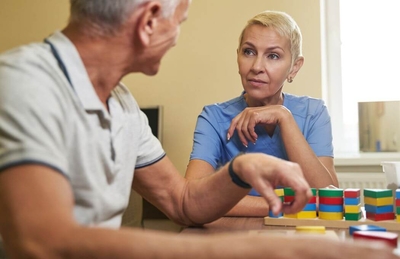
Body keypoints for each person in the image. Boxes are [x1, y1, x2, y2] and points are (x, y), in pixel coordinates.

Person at [0, 1, 396, 258]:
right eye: (180, 22)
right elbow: (40, 242)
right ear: (149, 21)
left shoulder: (122, 104)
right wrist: (267, 250)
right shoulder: (23, 81)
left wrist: (239, 171)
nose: (177, 38)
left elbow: (183, 201)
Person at [186, 10, 339, 217]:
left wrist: (284, 117)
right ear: (238, 56)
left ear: (294, 67)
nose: (257, 66)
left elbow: (329, 197)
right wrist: (284, 208)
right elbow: (193, 197)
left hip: (299, 238)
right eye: (249, 52)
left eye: (273, 56)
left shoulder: (314, 113)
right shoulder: (213, 118)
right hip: (234, 238)